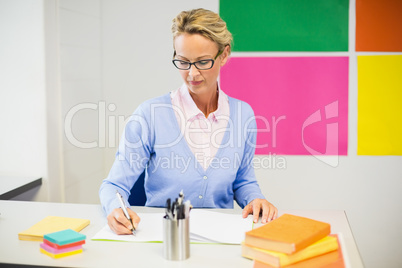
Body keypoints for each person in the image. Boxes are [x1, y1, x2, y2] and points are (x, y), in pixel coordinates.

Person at [99, 8, 278, 235]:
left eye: (203, 62)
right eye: (183, 62)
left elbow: (243, 181)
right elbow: (113, 186)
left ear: (224, 55)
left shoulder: (244, 115)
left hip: (220, 237)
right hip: (163, 239)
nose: (192, 73)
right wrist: (116, 209)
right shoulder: (150, 115)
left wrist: (256, 199)